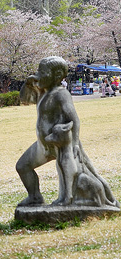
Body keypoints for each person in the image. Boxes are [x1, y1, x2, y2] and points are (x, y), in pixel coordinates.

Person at [16, 56, 118, 207]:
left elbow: (74, 119)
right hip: (44, 144)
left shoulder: (61, 94)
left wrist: (75, 143)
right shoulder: (42, 92)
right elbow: (24, 100)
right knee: (22, 166)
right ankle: (34, 196)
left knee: (67, 173)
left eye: (42, 72)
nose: (38, 75)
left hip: (61, 143)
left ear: (56, 76)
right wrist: (27, 84)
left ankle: (67, 199)